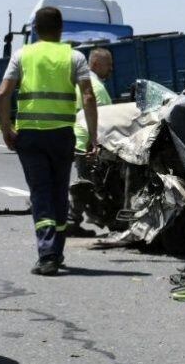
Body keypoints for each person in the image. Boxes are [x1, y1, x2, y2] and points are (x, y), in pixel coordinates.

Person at [0, 6, 98, 276]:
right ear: (61, 29)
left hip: (29, 135)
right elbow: (88, 97)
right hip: (62, 134)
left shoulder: (22, 55)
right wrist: (94, 137)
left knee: (40, 193)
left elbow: (3, 94)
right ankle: (56, 251)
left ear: (36, 31)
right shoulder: (74, 56)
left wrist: (6, 128)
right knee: (58, 192)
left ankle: (48, 255)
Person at [67, 48, 113, 236]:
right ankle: (73, 220)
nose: (111, 69)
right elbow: (107, 121)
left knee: (87, 183)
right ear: (95, 64)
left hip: (76, 140)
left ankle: (79, 219)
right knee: (88, 184)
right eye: (108, 65)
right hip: (88, 143)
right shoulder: (96, 88)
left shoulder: (78, 83)